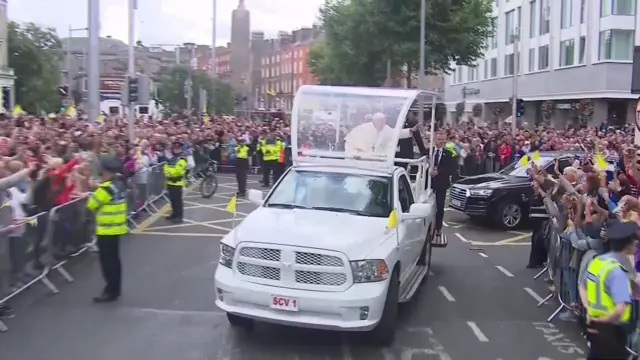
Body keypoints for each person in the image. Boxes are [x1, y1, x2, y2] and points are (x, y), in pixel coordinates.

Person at [580, 219, 636, 359]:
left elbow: (582, 286)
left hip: (595, 324)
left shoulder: (598, 261)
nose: (636, 243)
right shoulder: (617, 272)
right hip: (612, 329)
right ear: (627, 245)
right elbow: (620, 308)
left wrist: (588, 308)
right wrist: (604, 321)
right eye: (633, 240)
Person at [86, 155, 127, 303]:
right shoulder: (119, 184)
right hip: (117, 228)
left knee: (107, 262)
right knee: (115, 260)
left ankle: (110, 291)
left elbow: (91, 204)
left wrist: (93, 189)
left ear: (105, 172)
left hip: (106, 229)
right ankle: (116, 289)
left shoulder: (105, 189)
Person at [426, 132, 455, 240]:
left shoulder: (448, 153)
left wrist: (439, 171)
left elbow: (451, 168)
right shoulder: (429, 151)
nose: (441, 142)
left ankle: (438, 228)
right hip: (429, 183)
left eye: (443, 140)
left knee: (440, 207)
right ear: (435, 140)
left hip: (441, 183)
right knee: (427, 206)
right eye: (439, 139)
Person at [163, 141, 187, 222]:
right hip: (170, 182)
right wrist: (167, 173)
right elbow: (165, 166)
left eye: (178, 148)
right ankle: (174, 214)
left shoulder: (182, 158)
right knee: (172, 200)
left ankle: (179, 216)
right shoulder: (171, 158)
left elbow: (179, 170)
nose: (176, 150)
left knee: (178, 201)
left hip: (177, 182)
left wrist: (170, 173)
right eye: (174, 148)